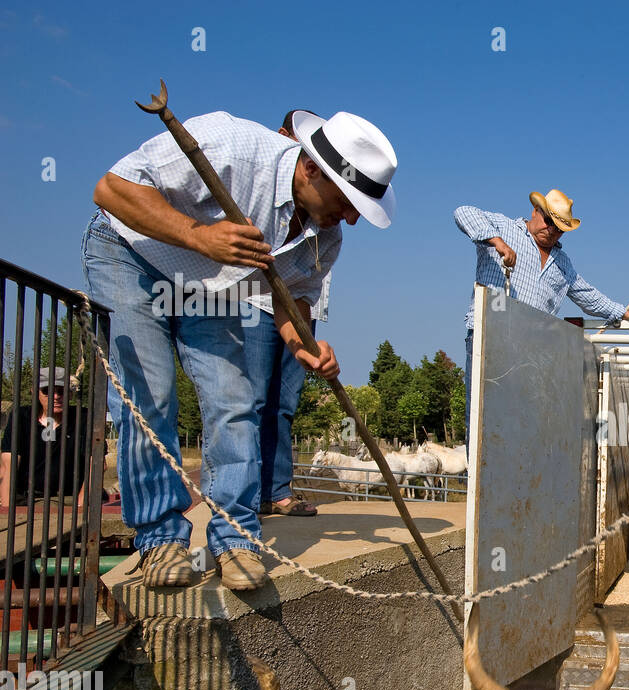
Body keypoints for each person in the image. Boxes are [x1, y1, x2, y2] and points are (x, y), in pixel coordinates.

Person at [84, 109, 397, 590]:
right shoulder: (228, 144)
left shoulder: (325, 235)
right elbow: (111, 189)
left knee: (234, 401)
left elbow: (291, 300)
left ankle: (234, 539)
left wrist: (304, 345)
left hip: (207, 286)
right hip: (131, 252)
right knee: (151, 396)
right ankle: (160, 539)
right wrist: (198, 236)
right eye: (347, 200)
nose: (351, 218)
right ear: (311, 168)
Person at [454, 189, 629, 437]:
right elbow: (463, 212)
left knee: (524, 420)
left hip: (531, 351)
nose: (552, 230)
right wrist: (497, 242)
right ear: (536, 211)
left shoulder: (562, 264)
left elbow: (587, 295)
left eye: (559, 228)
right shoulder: (504, 227)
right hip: (490, 338)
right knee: (482, 416)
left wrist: (622, 312)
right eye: (549, 222)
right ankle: (479, 475)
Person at [245, 109, 336, 520]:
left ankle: (277, 490)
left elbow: (306, 283)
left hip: (300, 306)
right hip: (253, 302)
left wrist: (306, 338)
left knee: (284, 399)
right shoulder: (260, 187)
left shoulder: (324, 224)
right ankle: (244, 495)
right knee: (254, 397)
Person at [0, 367, 93, 507]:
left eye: (61, 391)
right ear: (35, 392)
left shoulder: (83, 418)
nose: (55, 396)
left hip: (69, 499)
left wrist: (80, 505)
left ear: (70, 394)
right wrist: (7, 506)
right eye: (47, 391)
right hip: (26, 499)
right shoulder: (22, 417)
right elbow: (8, 465)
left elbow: (96, 464)